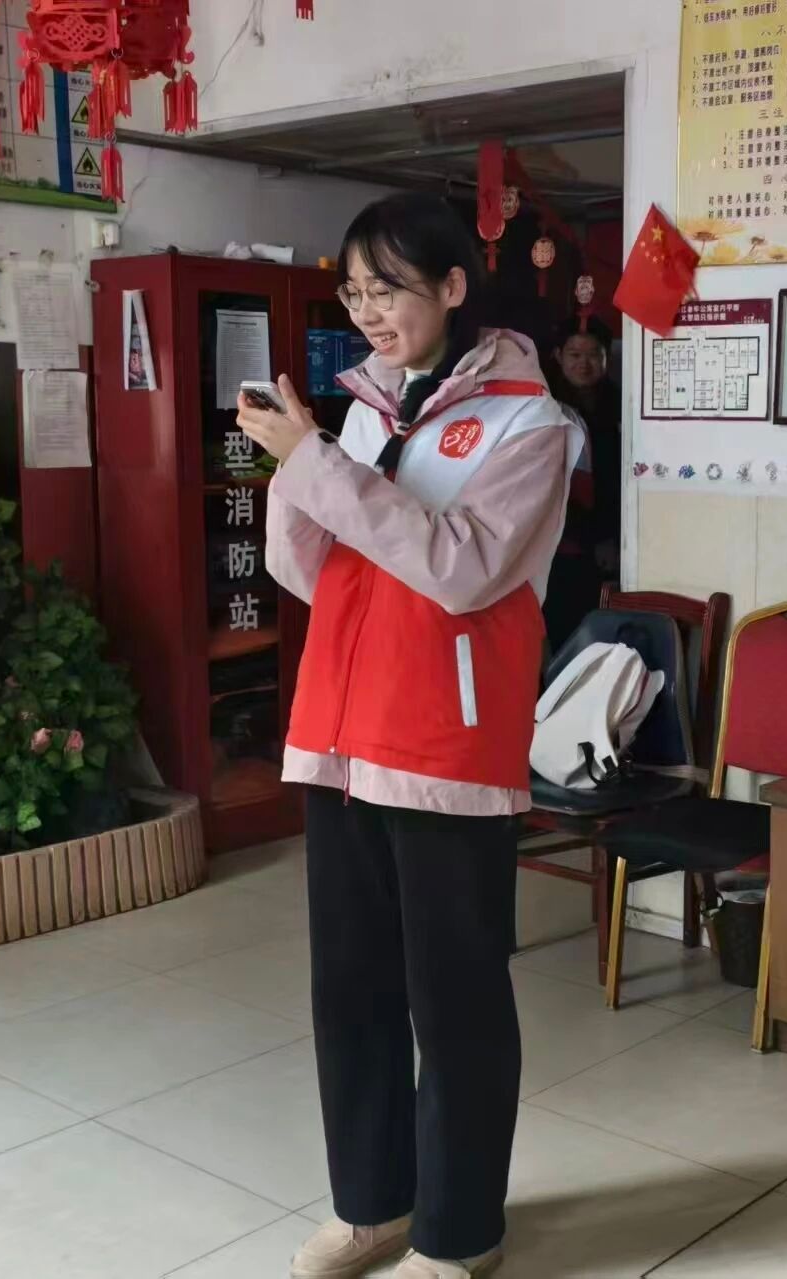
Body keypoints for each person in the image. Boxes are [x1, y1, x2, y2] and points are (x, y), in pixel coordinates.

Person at [236, 192, 582, 1279]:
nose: (368, 313)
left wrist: (320, 465)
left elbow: (460, 567)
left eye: (387, 289)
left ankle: (459, 1230)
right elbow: (309, 571)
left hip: (446, 746)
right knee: (349, 990)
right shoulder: (363, 411)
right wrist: (296, 466)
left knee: (455, 998)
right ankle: (372, 1206)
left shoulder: (532, 424)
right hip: (340, 736)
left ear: (452, 286)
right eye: (353, 294)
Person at [543, 315, 620, 652]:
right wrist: (593, 537)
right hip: (564, 546)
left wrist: (610, 537)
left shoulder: (621, 403)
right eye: (575, 355)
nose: (584, 364)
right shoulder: (548, 408)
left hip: (612, 542)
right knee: (568, 640)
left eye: (593, 355)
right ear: (558, 356)